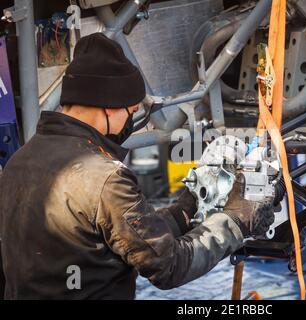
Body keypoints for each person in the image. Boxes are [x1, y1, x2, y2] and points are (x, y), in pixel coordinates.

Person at [0, 33, 274, 299]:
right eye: (130, 112)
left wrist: (183, 211)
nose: (130, 122)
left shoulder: (20, 162)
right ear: (109, 106)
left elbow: (112, 237)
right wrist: (236, 220)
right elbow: (170, 266)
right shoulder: (103, 176)